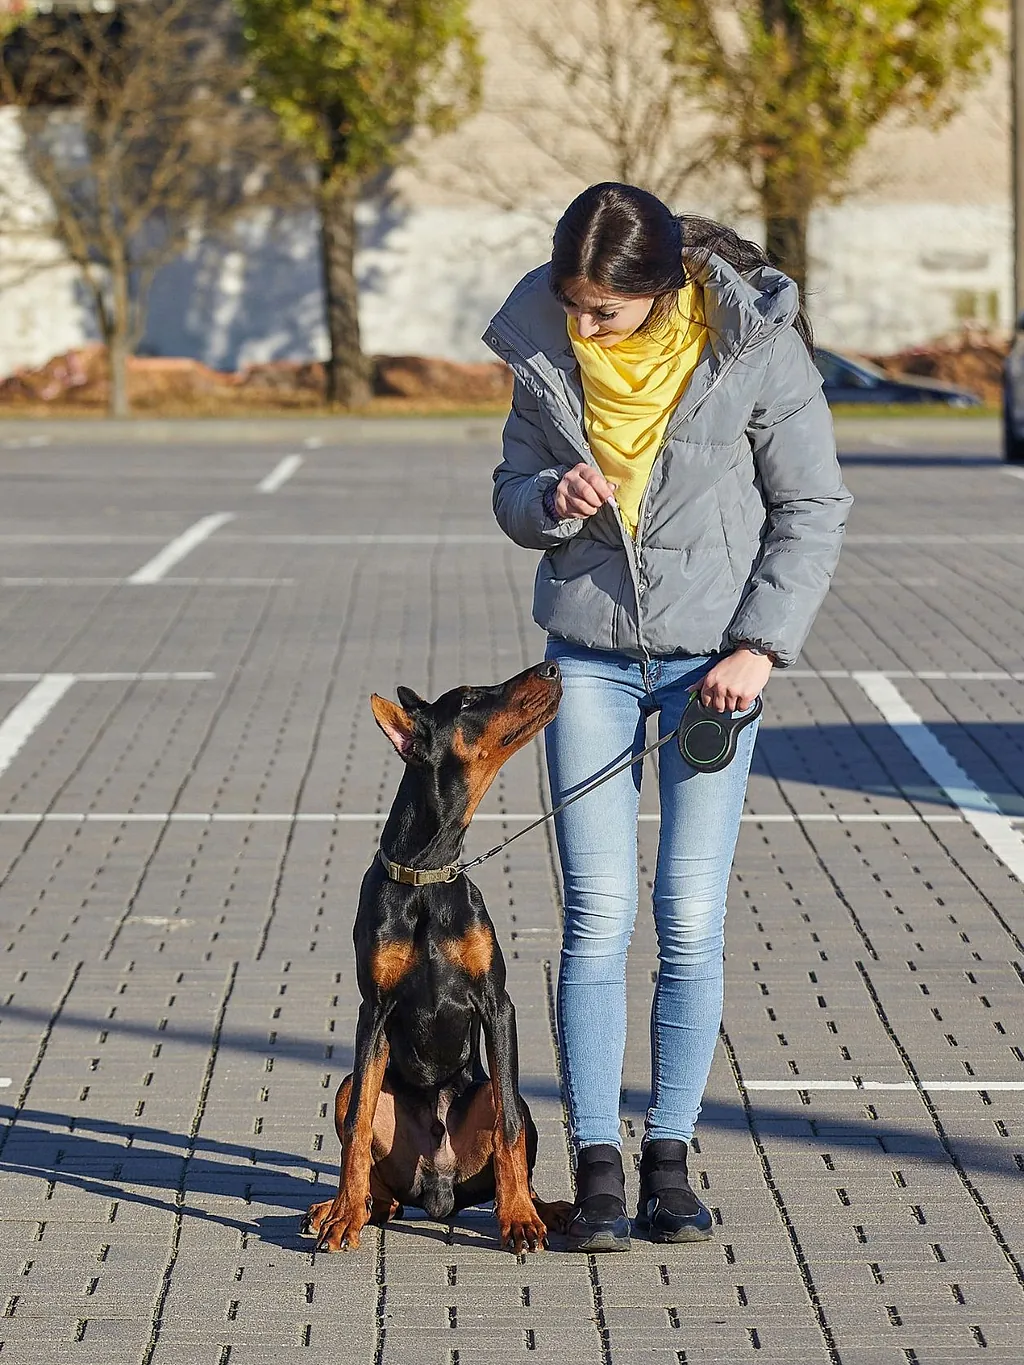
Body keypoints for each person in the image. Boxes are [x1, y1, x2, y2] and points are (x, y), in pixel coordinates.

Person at [483, 182, 852, 1252]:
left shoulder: (750, 346)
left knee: (688, 914)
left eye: (605, 309)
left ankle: (669, 1159)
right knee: (597, 913)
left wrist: (757, 648)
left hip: (713, 670)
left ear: (658, 287)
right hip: (586, 661)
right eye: (572, 303)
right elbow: (508, 489)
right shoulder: (543, 346)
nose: (583, 325)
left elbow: (812, 506)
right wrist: (548, 497)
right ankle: (596, 1163)